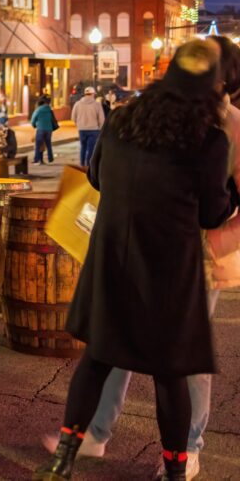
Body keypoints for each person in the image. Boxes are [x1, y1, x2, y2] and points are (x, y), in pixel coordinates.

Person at [33, 40, 235, 481]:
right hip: (169, 273)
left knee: (97, 360)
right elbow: (212, 213)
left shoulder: (123, 120)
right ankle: (176, 471)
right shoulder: (209, 140)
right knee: (170, 375)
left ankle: (62, 460)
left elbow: (97, 176)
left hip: (112, 262)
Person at [71, 87, 105, 167]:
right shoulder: (97, 105)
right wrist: (100, 128)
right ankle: (89, 164)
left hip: (82, 129)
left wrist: (78, 124)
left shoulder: (77, 104)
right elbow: (101, 119)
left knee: (83, 147)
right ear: (93, 94)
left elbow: (73, 117)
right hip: (94, 129)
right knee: (91, 148)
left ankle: (82, 164)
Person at [30, 97, 57, 164]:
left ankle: (36, 158)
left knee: (38, 145)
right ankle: (50, 158)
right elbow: (52, 119)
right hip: (49, 129)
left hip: (40, 129)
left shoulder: (38, 110)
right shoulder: (49, 110)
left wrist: (34, 125)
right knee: (48, 144)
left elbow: (33, 120)